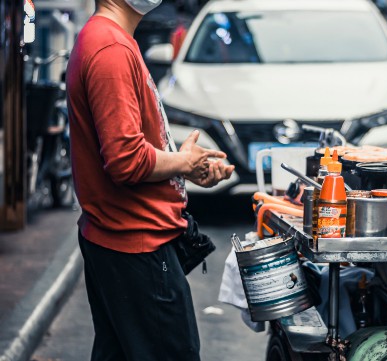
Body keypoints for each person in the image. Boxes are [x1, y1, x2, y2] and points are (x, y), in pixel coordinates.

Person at [66, 0, 234, 359]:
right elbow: (125, 160)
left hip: (126, 240)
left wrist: (187, 166)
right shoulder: (110, 49)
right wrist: (183, 163)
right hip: (135, 244)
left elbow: (136, 146)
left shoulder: (114, 40)